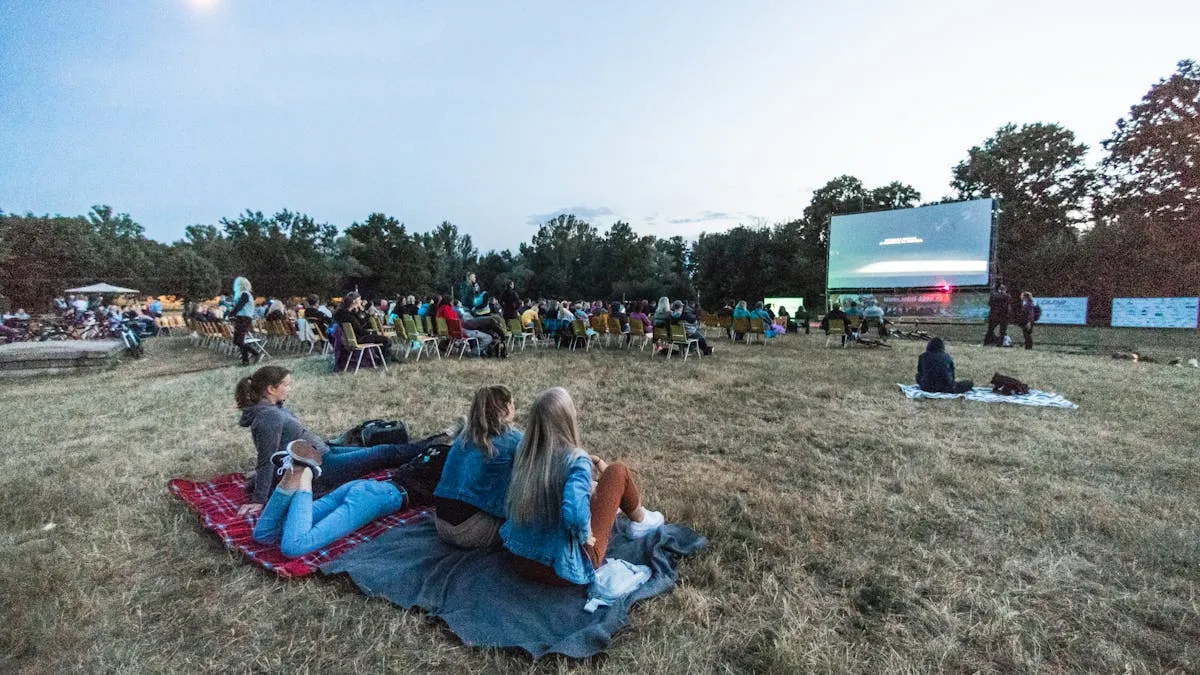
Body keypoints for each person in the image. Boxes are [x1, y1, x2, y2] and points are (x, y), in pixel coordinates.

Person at [500, 387, 664, 586]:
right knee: (617, 471)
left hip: (520, 558)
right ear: (567, 419)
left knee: (592, 492)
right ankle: (641, 521)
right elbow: (575, 514)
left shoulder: (525, 452)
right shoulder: (576, 460)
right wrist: (585, 535)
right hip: (560, 568)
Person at [235, 366, 437, 519]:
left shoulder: (273, 408)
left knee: (373, 449)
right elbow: (267, 458)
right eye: (286, 385)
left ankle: (432, 443)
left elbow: (276, 449)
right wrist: (259, 499)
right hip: (323, 465)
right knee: (383, 452)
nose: (290, 388)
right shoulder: (268, 417)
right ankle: (435, 446)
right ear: (271, 389)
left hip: (323, 451)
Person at [433, 385, 523, 548]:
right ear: (507, 406)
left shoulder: (464, 437)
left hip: (440, 523)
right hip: (469, 530)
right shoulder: (513, 439)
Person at [334, 291, 394, 360]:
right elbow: (360, 330)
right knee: (386, 340)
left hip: (352, 339)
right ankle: (386, 360)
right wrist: (372, 332)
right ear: (354, 301)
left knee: (380, 338)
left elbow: (360, 324)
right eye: (359, 299)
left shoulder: (344, 314)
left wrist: (366, 314)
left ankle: (384, 358)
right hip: (358, 339)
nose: (361, 301)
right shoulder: (349, 316)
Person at [230, 276, 258, 365]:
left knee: (239, 341)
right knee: (237, 341)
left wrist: (231, 314)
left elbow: (240, 306)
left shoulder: (245, 294)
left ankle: (255, 354)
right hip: (241, 318)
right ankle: (245, 360)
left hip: (244, 318)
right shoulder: (243, 294)